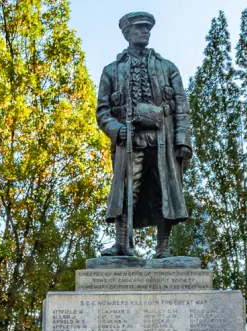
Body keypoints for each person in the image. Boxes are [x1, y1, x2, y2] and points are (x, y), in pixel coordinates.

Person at [95, 12, 193, 258]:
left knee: (165, 192)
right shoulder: (112, 71)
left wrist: (183, 141)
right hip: (130, 141)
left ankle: (163, 247)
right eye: (139, 29)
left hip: (163, 141)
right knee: (126, 191)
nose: (145, 32)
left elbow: (182, 107)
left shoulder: (167, 67)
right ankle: (122, 244)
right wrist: (117, 130)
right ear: (127, 34)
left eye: (147, 29)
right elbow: (103, 111)